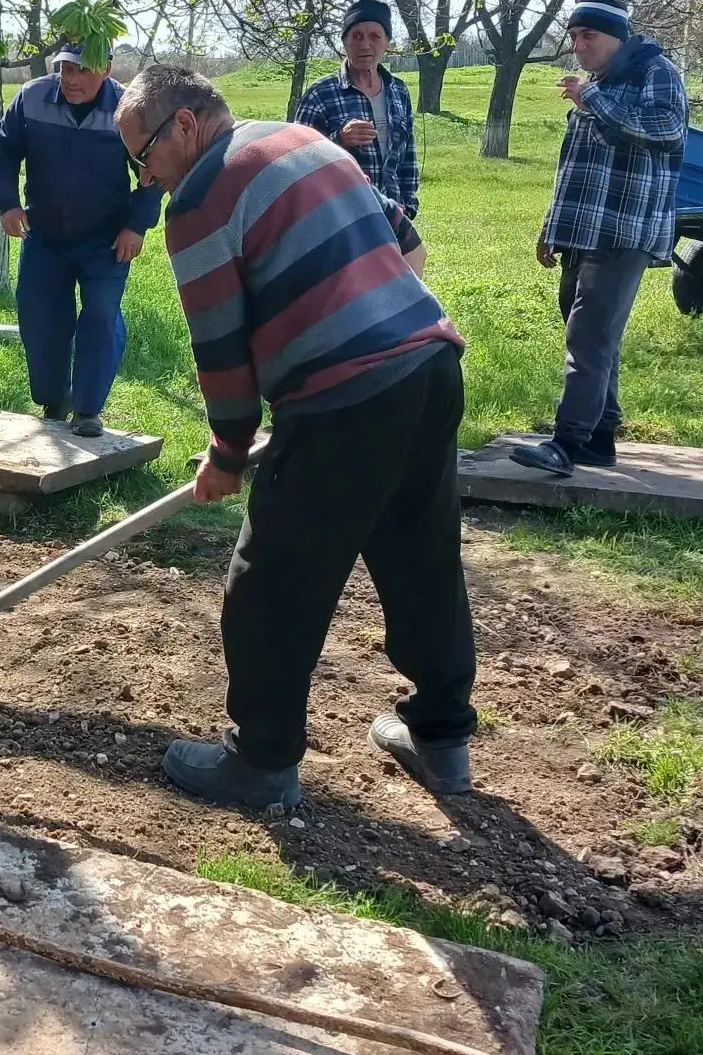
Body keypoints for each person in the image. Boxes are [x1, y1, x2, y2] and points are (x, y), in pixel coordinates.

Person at [116, 64, 475, 810]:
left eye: (142, 155)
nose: (145, 177)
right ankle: (442, 742)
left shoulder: (201, 202)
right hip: (429, 367)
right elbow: (407, 243)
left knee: (271, 581)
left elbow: (222, 355)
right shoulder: (303, 139)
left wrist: (227, 457)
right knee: (422, 560)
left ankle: (261, 763)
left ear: (184, 126)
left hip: (346, 399)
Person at [511, 0, 688, 476]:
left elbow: (666, 131)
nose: (579, 45)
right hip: (582, 230)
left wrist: (590, 99)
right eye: (573, 36)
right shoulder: (599, 83)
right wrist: (552, 227)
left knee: (588, 336)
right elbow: (575, 166)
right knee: (589, 332)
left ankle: (566, 444)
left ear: (618, 37)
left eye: (588, 35)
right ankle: (599, 438)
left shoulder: (656, 73)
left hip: (624, 229)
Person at [0, 44, 163, 437]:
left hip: (106, 240)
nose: (71, 79)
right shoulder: (32, 97)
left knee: (101, 316)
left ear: (107, 68)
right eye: (65, 69)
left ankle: (87, 409)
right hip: (44, 235)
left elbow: (154, 169)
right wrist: (7, 205)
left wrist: (137, 225)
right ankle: (55, 398)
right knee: (40, 317)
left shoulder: (128, 108)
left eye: (82, 71)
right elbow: (2, 150)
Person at [296, 0, 420, 218]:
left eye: (375, 36)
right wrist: (339, 140)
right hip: (341, 219)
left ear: (387, 42)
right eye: (357, 36)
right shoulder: (320, 94)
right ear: (344, 42)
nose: (365, 45)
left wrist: (407, 208)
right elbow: (297, 162)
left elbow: (407, 157)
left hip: (392, 217)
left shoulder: (398, 91)